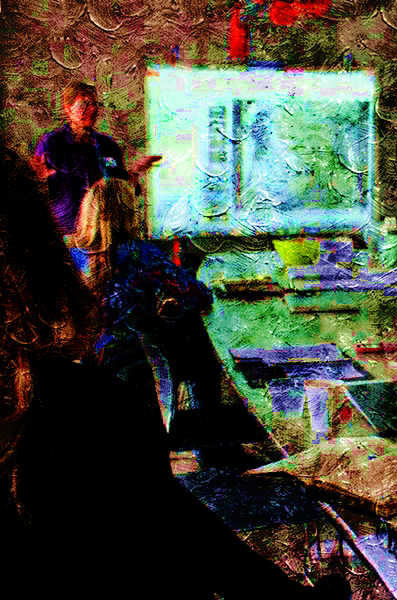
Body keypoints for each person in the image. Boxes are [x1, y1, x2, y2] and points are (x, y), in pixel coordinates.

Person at [0, 148, 350, 598]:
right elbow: (198, 294)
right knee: (200, 360)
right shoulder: (85, 407)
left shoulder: (83, 254)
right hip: (129, 373)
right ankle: (217, 448)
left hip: (105, 362)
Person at [69, 178, 220, 411]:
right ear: (129, 214)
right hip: (132, 364)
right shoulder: (140, 254)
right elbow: (198, 294)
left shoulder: (70, 257)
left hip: (82, 365)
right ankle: (205, 426)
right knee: (204, 355)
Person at [31, 81, 162, 234]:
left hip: (103, 233)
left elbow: (119, 184)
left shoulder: (108, 147)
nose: (92, 109)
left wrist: (135, 171)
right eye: (84, 104)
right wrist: (39, 180)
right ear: (68, 108)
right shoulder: (52, 143)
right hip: (66, 233)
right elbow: (34, 195)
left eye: (94, 104)